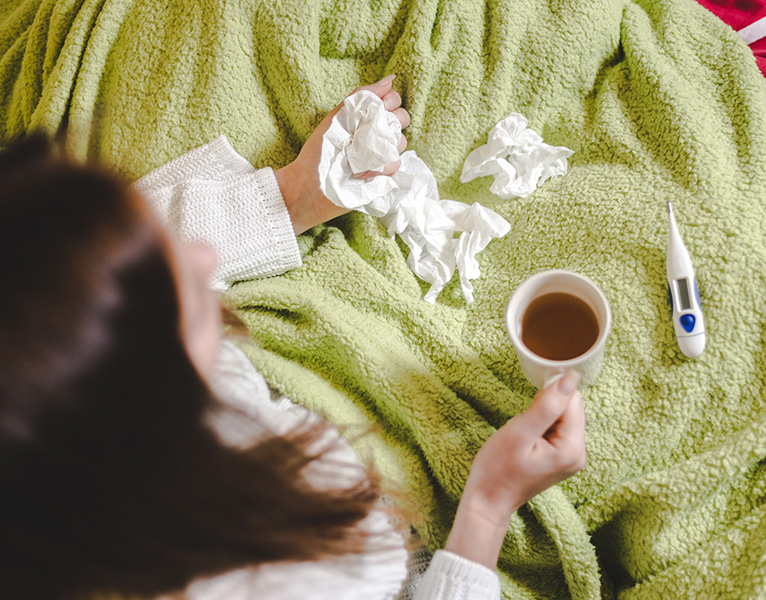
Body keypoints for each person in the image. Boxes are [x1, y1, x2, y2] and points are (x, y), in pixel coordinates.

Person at [0, 75, 587, 600]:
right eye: (175, 294)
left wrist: (294, 194)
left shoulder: (56, 372)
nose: (203, 259)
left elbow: (98, 271)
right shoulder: (292, 578)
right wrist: (487, 507)